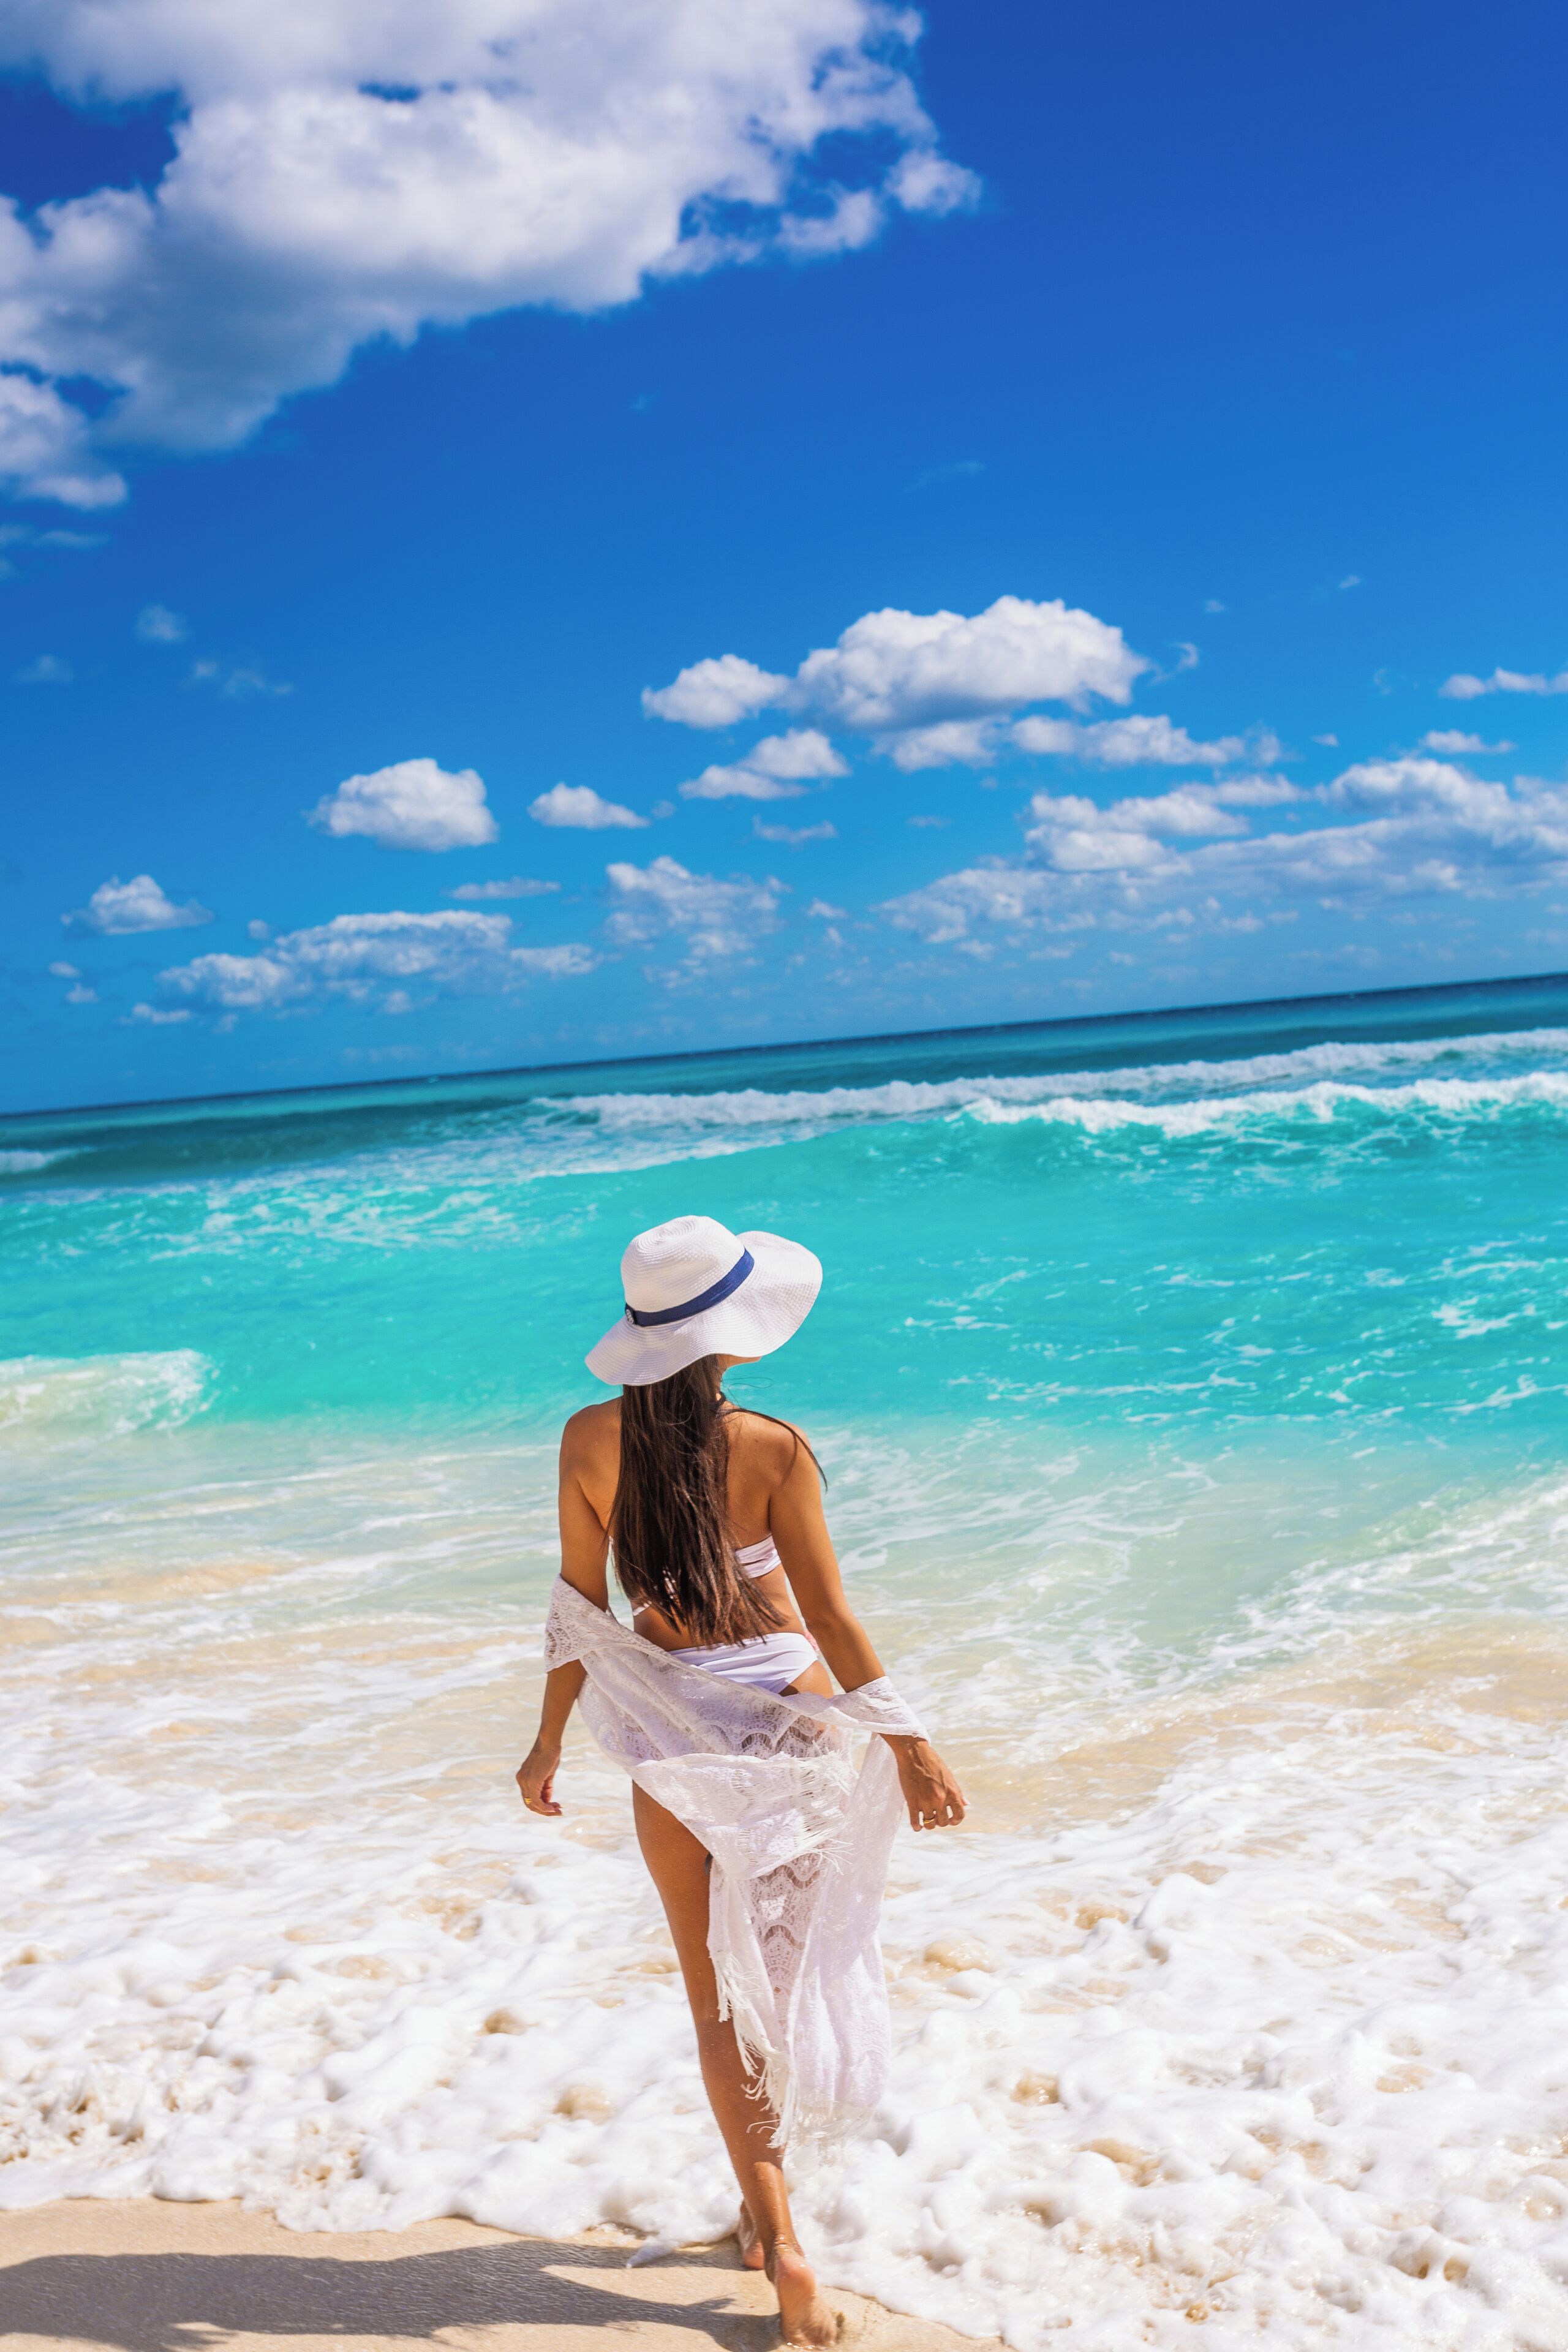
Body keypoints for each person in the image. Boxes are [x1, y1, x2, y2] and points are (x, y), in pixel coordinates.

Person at [515, 1214, 967, 2349]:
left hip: (670, 1737)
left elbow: (582, 1615)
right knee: (783, 1977)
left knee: (717, 1996)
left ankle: (777, 2241)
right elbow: (830, 1615)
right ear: (733, 1332)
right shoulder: (772, 1445)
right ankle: (778, 2228)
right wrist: (912, 1744)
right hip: (791, 1728)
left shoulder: (585, 1441)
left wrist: (548, 1742)